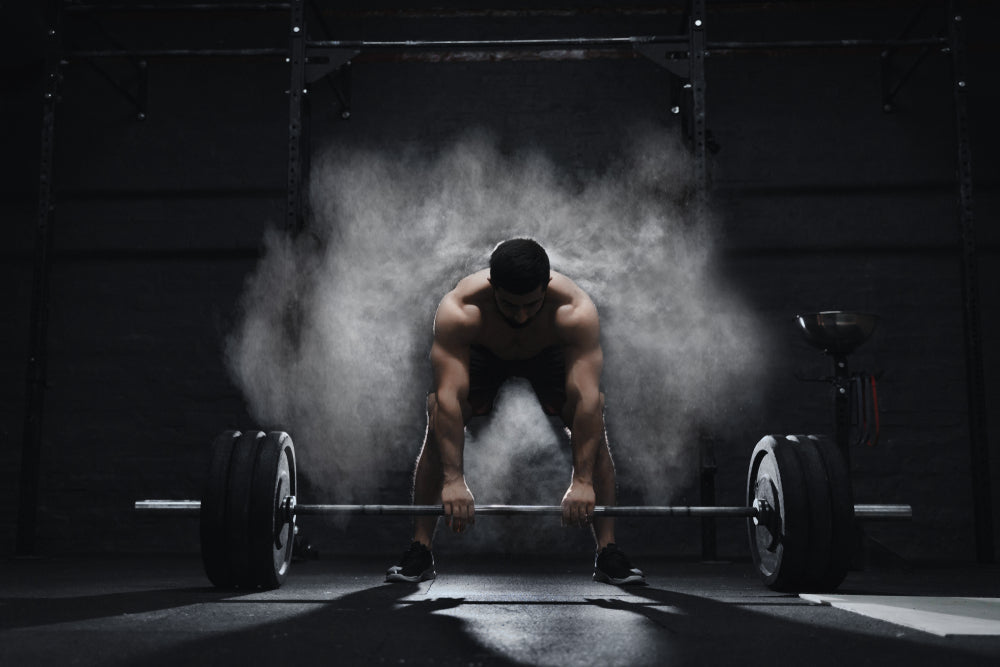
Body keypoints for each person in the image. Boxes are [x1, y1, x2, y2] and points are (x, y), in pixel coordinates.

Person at [385, 238, 645, 585]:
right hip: (484, 351)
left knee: (592, 414)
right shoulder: (460, 310)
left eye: (531, 305)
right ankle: (420, 549)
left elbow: (585, 400)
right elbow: (449, 397)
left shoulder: (574, 312)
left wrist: (582, 482)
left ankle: (607, 552)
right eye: (509, 305)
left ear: (547, 286)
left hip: (549, 351)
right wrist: (454, 480)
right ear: (492, 286)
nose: (521, 315)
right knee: (440, 415)